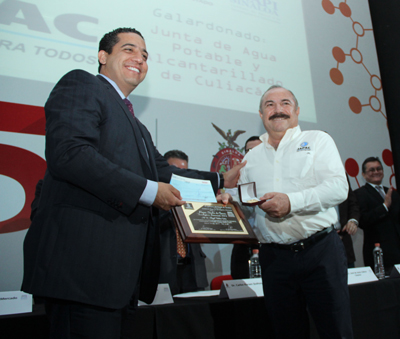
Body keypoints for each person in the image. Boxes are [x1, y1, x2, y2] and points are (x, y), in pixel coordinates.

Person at [21, 27, 244, 338]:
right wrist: (150, 192)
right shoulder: (82, 84)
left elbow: (164, 173)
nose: (139, 58)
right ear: (102, 56)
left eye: (145, 55)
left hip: (120, 281)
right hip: (81, 273)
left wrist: (221, 179)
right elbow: (70, 154)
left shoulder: (136, 125)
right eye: (128, 49)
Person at [219, 85, 352, 338]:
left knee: (336, 330)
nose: (277, 110)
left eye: (285, 103)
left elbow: (338, 188)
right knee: (285, 332)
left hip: (321, 253)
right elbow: (249, 204)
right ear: (261, 115)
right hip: (274, 260)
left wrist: (291, 202)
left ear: (297, 111)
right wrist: (229, 200)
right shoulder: (251, 157)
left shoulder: (318, 140)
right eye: (269, 105)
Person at [158, 150, 208, 294]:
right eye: (175, 172)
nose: (181, 177)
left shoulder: (197, 198)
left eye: (184, 172)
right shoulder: (155, 199)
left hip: (193, 269)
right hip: (165, 268)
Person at [354, 157, 400, 274]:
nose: (376, 172)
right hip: (378, 252)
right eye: (372, 170)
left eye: (379, 169)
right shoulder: (360, 194)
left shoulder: (392, 193)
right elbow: (363, 221)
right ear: (364, 175)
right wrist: (384, 206)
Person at [230, 136, 262, 279]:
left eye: (255, 150)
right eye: (248, 150)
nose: (251, 153)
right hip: (243, 243)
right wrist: (232, 201)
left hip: (268, 243)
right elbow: (242, 209)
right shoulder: (238, 176)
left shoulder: (275, 176)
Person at [335, 175, 360, 268]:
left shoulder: (341, 173)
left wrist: (353, 221)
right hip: (321, 243)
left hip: (344, 242)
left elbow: (352, 203)